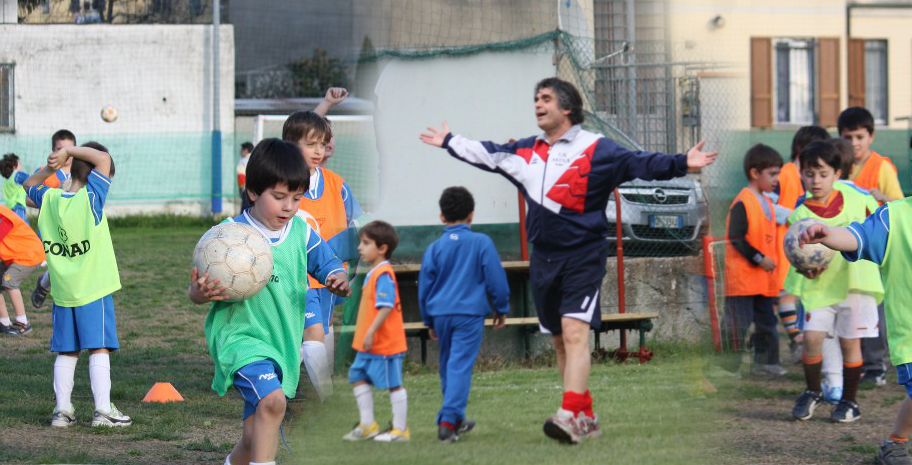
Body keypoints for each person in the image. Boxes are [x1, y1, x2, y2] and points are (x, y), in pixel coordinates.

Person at [420, 77, 718, 444]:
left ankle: (568, 414)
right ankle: (586, 416)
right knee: (560, 341)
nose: (537, 105)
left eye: (546, 99)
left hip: (583, 255)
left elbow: (641, 162)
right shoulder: (525, 151)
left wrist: (682, 162)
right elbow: (488, 153)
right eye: (535, 99)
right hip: (544, 260)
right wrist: (450, 142)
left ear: (567, 108)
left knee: (575, 332)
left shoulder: (596, 148)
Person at [189, 138, 351, 465]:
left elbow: (328, 263)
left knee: (253, 437)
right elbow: (194, 291)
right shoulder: (226, 236)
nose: (289, 206)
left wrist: (338, 277)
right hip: (240, 339)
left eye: (296, 197)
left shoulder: (301, 232)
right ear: (252, 192)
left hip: (281, 343)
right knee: (274, 403)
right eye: (278, 197)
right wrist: (199, 293)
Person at [797, 189, 912, 464]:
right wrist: (828, 234)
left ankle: (895, 442)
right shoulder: (895, 218)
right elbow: (857, 235)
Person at [23, 142, 129, 428]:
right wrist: (70, 151)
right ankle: (103, 411)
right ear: (96, 175)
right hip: (92, 289)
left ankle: (61, 411)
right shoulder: (91, 199)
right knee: (98, 348)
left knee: (67, 351)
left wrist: (50, 167)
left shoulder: (50, 200)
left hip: (63, 292)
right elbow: (104, 158)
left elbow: (29, 184)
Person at [786, 141, 882, 423]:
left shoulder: (857, 200)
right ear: (801, 174)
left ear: (837, 173)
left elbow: (875, 229)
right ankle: (813, 391)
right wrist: (804, 269)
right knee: (812, 339)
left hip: (855, 283)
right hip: (820, 287)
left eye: (823, 174)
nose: (815, 180)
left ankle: (849, 401)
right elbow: (795, 253)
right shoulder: (800, 214)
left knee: (850, 344)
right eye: (809, 173)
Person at [419, 186, 510, 442]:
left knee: (449, 366)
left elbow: (425, 287)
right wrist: (501, 308)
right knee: (459, 366)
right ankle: (448, 421)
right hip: (468, 315)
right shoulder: (482, 242)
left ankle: (456, 419)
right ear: (471, 215)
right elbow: (496, 280)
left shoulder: (434, 248)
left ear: (441, 217)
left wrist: (429, 320)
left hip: (440, 315)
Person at [283, 109, 362, 400]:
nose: (319, 151)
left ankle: (289, 381)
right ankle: (325, 398)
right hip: (296, 275)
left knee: (324, 330)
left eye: (322, 143)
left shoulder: (336, 184)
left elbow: (358, 223)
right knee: (313, 332)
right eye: (311, 144)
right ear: (291, 145)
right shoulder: (281, 181)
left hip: (330, 275)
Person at [840, 106, 899, 388]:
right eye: (848, 137)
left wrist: (882, 197)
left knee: (875, 304)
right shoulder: (838, 165)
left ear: (871, 137)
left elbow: (900, 207)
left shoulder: (881, 167)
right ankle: (853, 362)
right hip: (848, 247)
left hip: (877, 247)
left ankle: (876, 364)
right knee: (850, 305)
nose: (854, 143)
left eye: (860, 136)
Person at [342, 220, 409, 443]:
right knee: (357, 376)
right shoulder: (373, 273)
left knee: (394, 384)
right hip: (367, 344)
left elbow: (386, 306)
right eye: (360, 242)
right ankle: (368, 424)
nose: (360, 247)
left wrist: (370, 332)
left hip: (384, 344)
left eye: (366, 243)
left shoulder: (384, 275)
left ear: (382, 249)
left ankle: (400, 430)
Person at [722, 144, 785, 375]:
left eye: (778, 173)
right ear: (755, 173)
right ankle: (727, 368)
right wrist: (759, 259)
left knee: (767, 323)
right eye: (772, 173)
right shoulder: (743, 201)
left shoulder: (766, 201)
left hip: (762, 281)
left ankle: (766, 363)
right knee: (736, 326)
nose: (777, 179)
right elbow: (736, 238)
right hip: (742, 281)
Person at [776, 126, 830, 364]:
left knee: (803, 293)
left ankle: (806, 340)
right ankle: (797, 340)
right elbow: (771, 203)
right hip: (786, 241)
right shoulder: (787, 172)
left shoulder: (811, 175)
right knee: (786, 293)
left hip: (811, 242)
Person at [31, 129, 77, 310]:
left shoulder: (81, 171)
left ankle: (43, 285)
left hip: (76, 226)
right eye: (59, 149)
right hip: (51, 228)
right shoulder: (44, 172)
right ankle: (47, 289)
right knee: (60, 266)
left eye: (69, 149)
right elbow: (28, 197)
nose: (64, 153)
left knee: (71, 264)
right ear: (52, 151)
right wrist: (54, 198)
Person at [0, 204, 45, 335]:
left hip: (28, 254)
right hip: (15, 256)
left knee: (9, 281)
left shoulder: (3, 216)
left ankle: (23, 323)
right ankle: (4, 322)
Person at [1, 154, 29, 222]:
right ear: (14, 166)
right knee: (24, 229)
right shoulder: (17, 175)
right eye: (19, 163)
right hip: (18, 208)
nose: (21, 164)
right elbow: (31, 179)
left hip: (8, 210)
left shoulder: (6, 183)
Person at [236, 141, 253, 212]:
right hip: (255, 190)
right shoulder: (254, 159)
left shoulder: (242, 161)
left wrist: (241, 189)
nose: (240, 151)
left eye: (242, 149)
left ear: (246, 150)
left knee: (245, 212)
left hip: (246, 189)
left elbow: (241, 176)